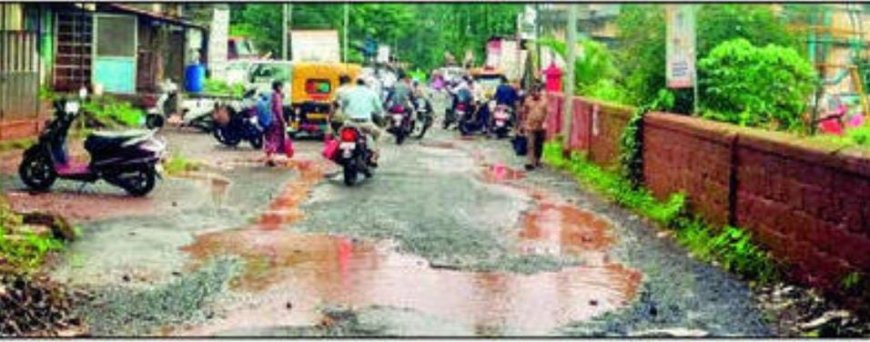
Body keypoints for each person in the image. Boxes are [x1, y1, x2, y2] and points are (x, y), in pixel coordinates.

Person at [340, 78, 384, 165]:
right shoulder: (371, 93)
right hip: (365, 123)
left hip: (350, 123)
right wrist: (379, 113)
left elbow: (343, 106)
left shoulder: (348, 92)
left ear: (356, 83)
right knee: (378, 134)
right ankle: (374, 158)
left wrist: (346, 112)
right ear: (365, 84)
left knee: (339, 135)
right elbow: (379, 108)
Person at [521, 84, 548, 171]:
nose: (535, 93)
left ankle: (537, 159)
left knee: (539, 144)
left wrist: (546, 122)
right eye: (533, 91)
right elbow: (524, 112)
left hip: (541, 126)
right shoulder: (528, 101)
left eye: (536, 91)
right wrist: (522, 124)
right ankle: (530, 162)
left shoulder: (545, 101)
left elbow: (549, 113)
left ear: (539, 92)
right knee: (530, 144)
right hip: (530, 126)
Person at [264, 81, 290, 167]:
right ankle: (271, 158)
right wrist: (282, 120)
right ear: (278, 87)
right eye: (281, 86)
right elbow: (278, 110)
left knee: (269, 138)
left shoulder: (270, 95)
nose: (282, 88)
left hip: (267, 120)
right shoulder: (277, 96)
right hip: (275, 121)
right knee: (275, 139)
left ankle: (268, 157)